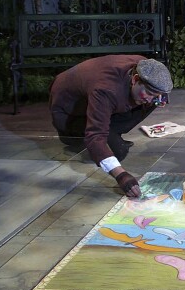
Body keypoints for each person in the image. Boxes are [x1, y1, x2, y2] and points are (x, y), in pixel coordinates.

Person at [49, 55, 172, 198]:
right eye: (149, 93)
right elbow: (95, 136)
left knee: (151, 102)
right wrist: (122, 176)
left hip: (99, 102)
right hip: (69, 114)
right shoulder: (106, 89)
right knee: (117, 152)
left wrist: (156, 99)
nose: (150, 99)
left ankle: (111, 131)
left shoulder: (146, 67)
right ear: (135, 79)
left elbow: (155, 94)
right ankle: (79, 135)